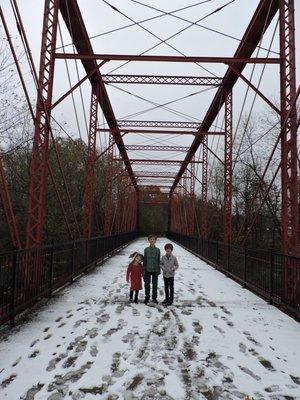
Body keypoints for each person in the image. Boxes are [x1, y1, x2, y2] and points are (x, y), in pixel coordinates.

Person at [143, 234, 161, 305]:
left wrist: (159, 269)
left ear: (155, 241)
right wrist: (144, 269)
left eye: (153, 239)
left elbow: (158, 260)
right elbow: (145, 260)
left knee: (155, 284)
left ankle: (154, 298)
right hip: (147, 269)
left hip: (155, 270)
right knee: (147, 284)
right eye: (151, 239)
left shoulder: (158, 250)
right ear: (149, 240)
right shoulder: (146, 249)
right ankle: (147, 297)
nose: (152, 240)